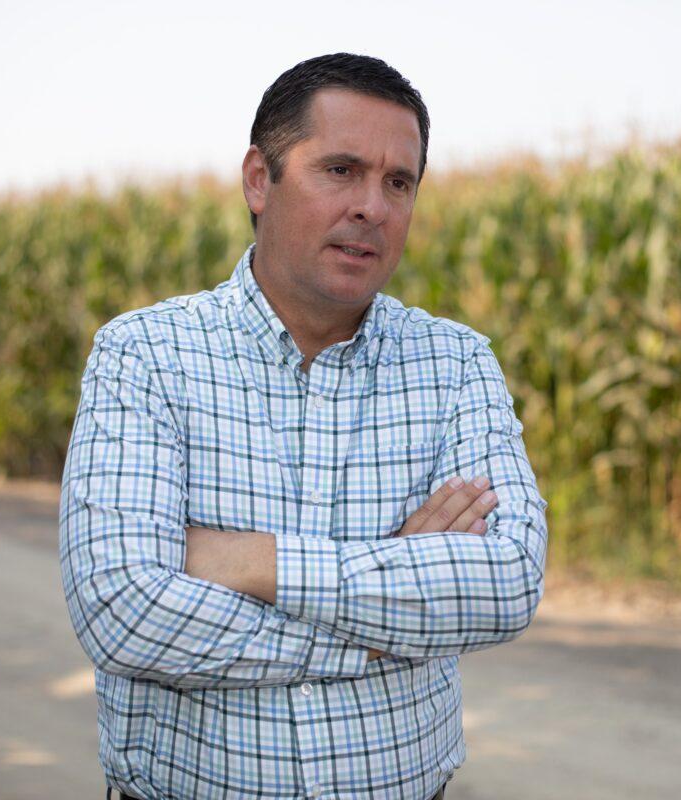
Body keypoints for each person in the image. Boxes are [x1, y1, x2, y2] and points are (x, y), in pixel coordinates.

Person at [59, 52, 548, 800]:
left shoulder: (456, 362)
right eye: (340, 170)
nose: (373, 208)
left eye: (398, 182)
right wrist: (391, 611)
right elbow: (124, 613)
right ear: (260, 179)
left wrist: (255, 563)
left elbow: (507, 581)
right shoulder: (145, 355)